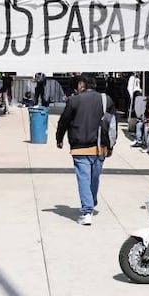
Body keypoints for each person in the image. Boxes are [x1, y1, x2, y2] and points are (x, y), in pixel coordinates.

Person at [56, 74, 115, 226]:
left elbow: (64, 121)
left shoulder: (74, 100)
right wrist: (111, 145)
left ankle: (87, 210)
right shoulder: (106, 99)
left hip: (80, 147)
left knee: (84, 178)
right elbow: (112, 124)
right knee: (94, 178)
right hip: (100, 147)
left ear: (82, 85)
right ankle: (91, 203)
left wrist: (59, 138)